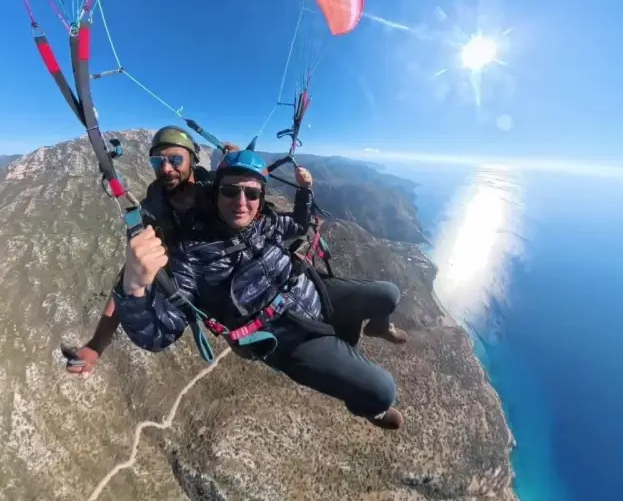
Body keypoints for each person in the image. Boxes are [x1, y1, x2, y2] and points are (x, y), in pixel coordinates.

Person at [113, 147, 410, 430]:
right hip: (286, 338)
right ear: (216, 193)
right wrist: (135, 288)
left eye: (251, 193)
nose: (241, 201)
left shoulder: (264, 222)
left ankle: (377, 327)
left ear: (260, 197)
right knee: (382, 391)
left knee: (388, 295)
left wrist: (305, 192)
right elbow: (158, 334)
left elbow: (298, 224)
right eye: (230, 191)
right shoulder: (192, 254)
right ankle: (373, 409)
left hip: (314, 291)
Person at [64, 126, 236, 376]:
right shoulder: (150, 214)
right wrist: (96, 345)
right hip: (191, 287)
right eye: (158, 160)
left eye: (175, 159)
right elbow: (131, 276)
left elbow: (253, 201)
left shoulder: (216, 188)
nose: (165, 168)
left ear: (193, 159)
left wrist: (240, 166)